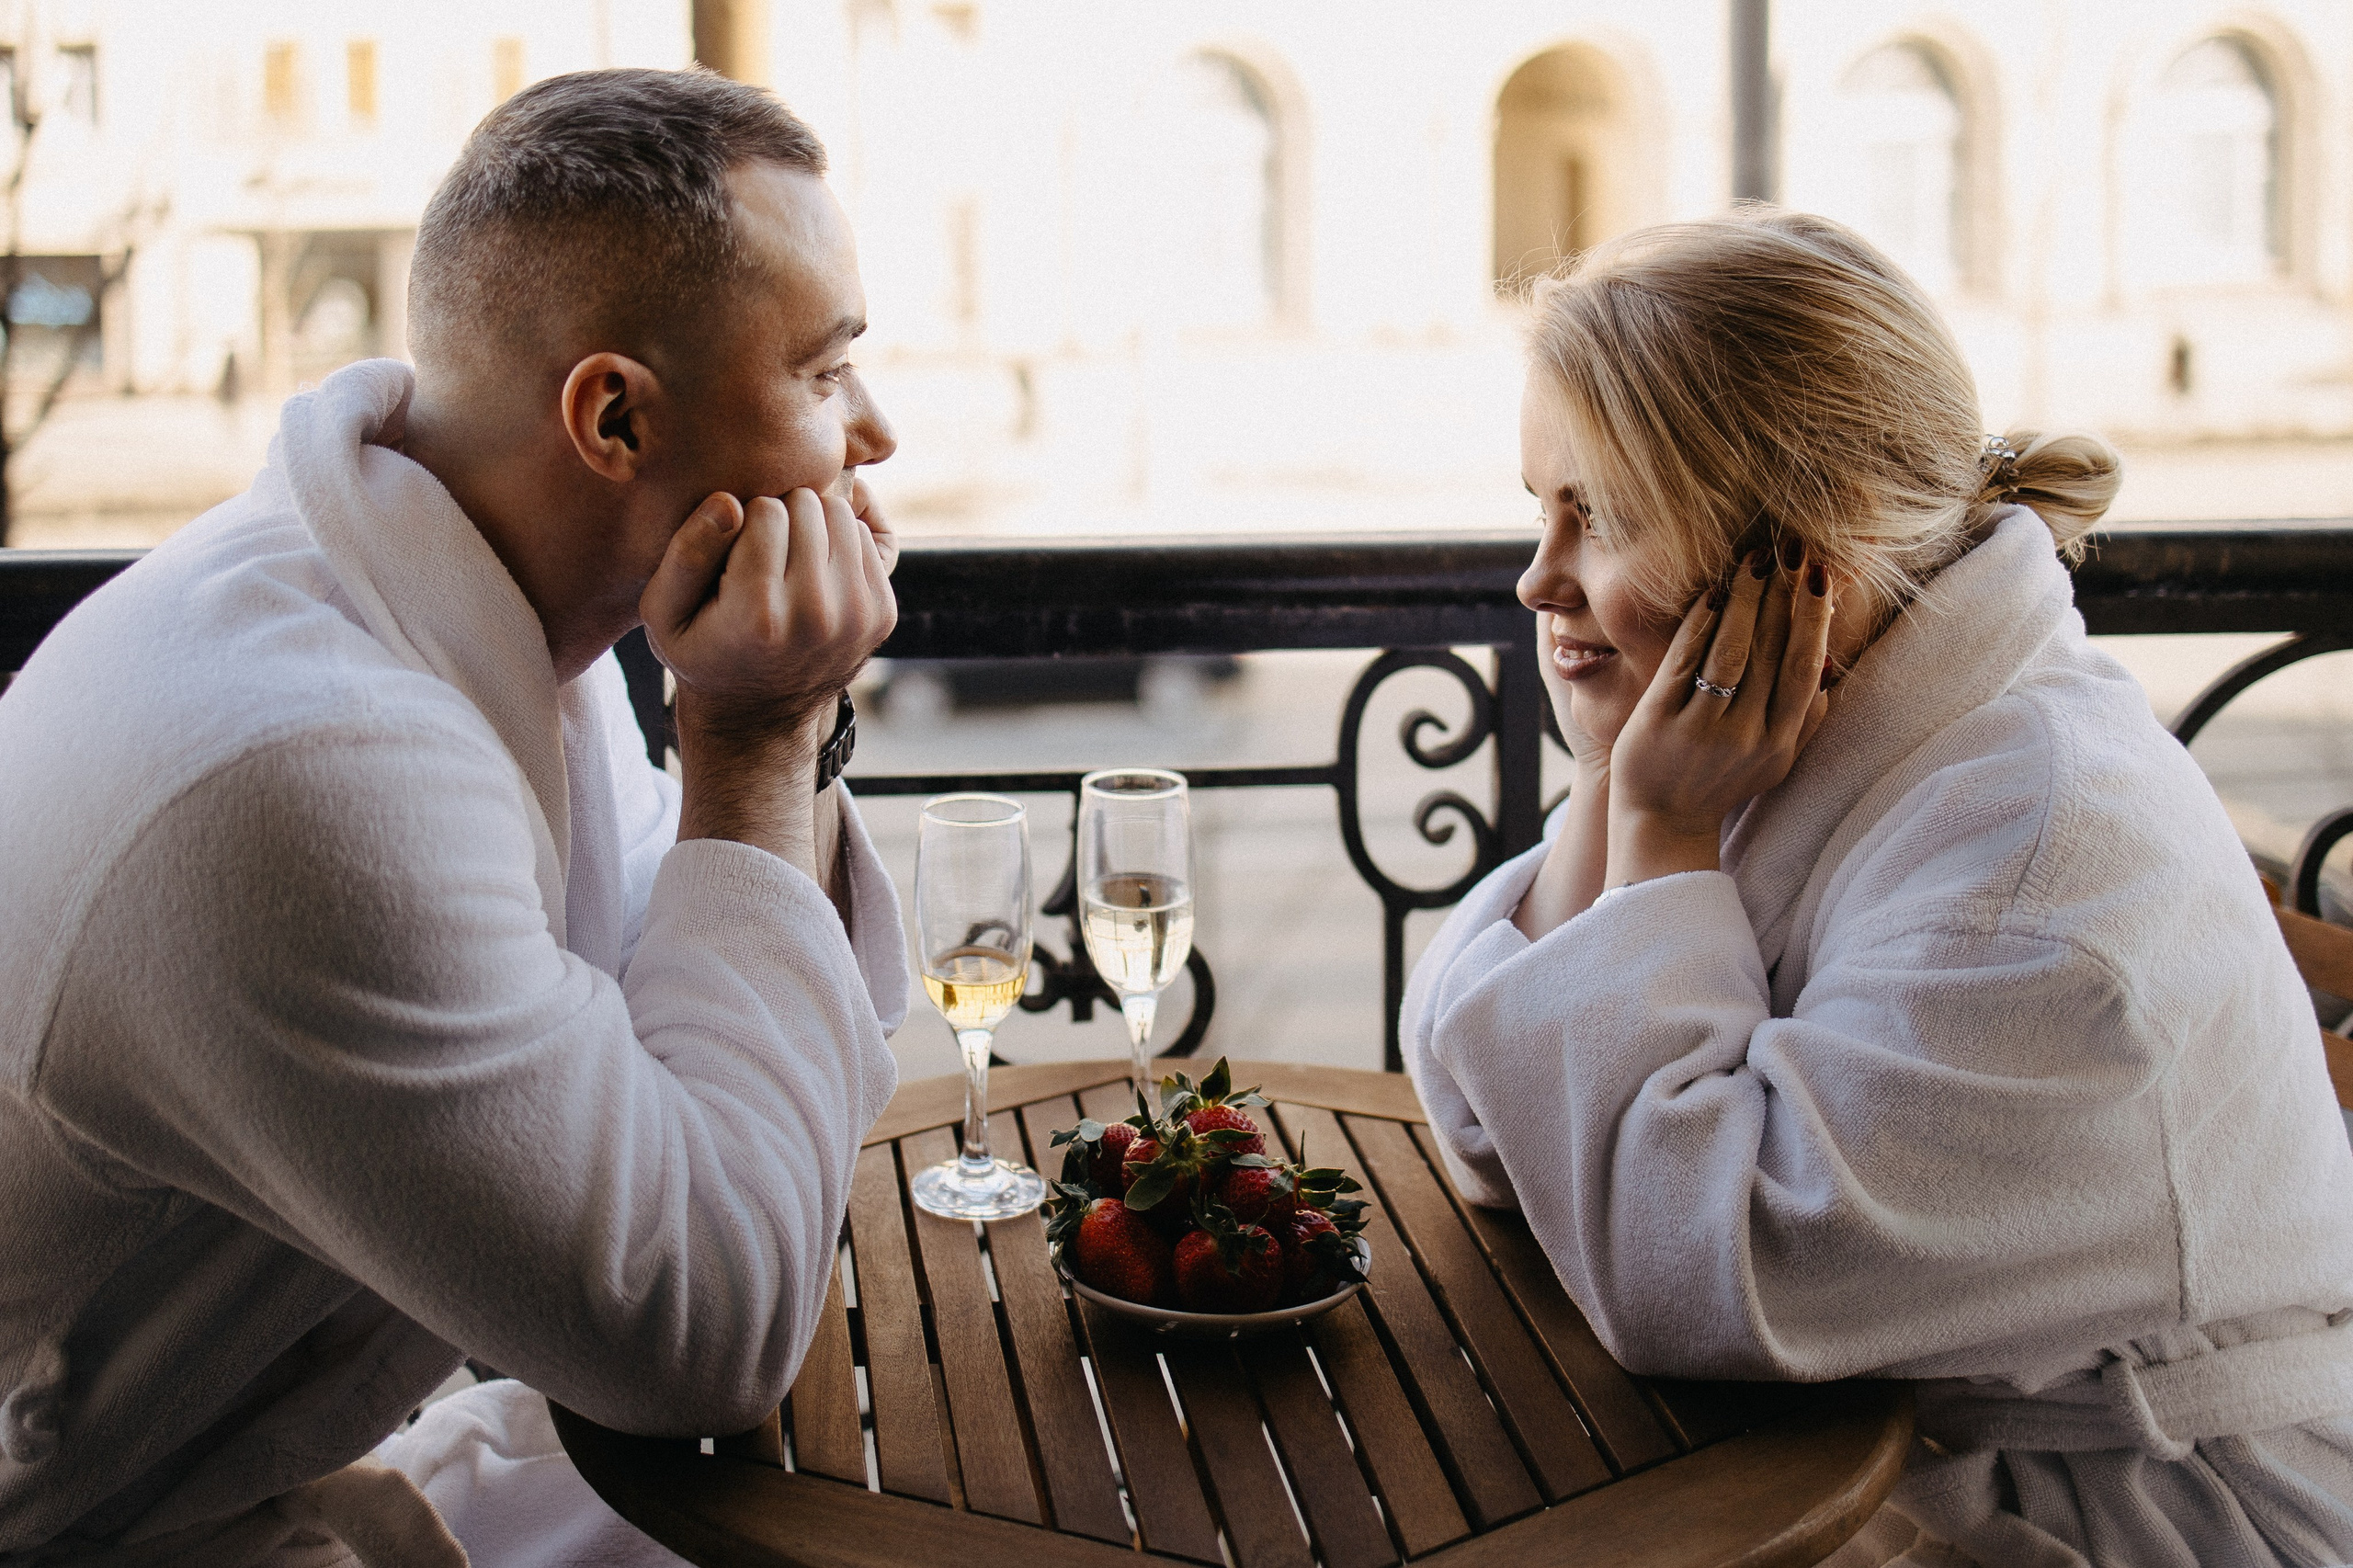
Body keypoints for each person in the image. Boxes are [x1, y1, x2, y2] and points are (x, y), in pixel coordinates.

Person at [0, 69, 906, 1566]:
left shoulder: (450, 594)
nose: (871, 434)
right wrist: (754, 739)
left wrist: (761, 731)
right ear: (614, 415)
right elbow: (706, 1324)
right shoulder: (309, 770)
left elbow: (714, 1067)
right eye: (824, 371)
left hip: (247, 1461)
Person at [1404, 208, 2353, 1568]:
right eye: (1539, 509)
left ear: (1794, 570)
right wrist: (1626, 790)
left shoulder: (2034, 877)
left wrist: (1662, 823)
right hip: (1876, 1458)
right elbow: (1484, 1108)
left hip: (2151, 1522)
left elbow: (1701, 1278)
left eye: (1596, 518)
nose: (1537, 577)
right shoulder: (1826, 733)